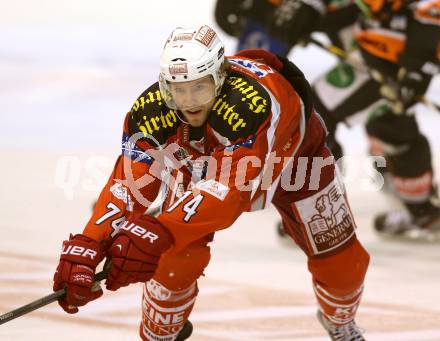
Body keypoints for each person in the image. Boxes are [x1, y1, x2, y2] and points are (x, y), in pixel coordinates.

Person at [52, 24, 370, 341]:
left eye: (200, 88)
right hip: (205, 158)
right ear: (165, 86)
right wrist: (91, 241)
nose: (189, 102)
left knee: (342, 265)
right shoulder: (149, 110)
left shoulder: (248, 107)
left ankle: (340, 322)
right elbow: (129, 183)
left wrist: (159, 230)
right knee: (174, 259)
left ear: (220, 79)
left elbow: (228, 193)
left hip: (296, 158)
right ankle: (160, 334)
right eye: (178, 89)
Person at [267, 0, 440, 239]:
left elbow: (431, 12)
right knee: (390, 128)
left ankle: (321, 213)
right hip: (376, 46)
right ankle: (420, 211)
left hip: (390, 56)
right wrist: (311, 11)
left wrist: (417, 70)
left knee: (313, 119)